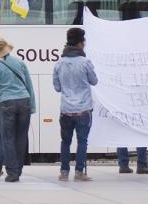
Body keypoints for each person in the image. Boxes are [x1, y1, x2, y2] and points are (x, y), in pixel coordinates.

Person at [53, 27, 98, 182]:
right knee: (82, 141)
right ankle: (79, 172)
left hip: (66, 109)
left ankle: (64, 172)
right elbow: (94, 81)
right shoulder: (85, 62)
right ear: (81, 43)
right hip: (84, 109)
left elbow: (57, 87)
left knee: (65, 142)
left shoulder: (59, 63)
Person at [0, 37, 34, 182]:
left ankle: (12, 172)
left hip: (7, 102)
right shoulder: (20, 62)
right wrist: (32, 105)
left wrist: (0, 102)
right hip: (24, 101)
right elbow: (29, 85)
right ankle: (18, 170)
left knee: (7, 138)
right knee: (21, 138)